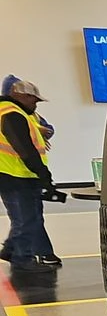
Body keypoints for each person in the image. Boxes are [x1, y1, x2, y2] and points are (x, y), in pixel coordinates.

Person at [0, 77, 62, 270]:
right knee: (26, 220)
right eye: (32, 99)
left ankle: (10, 250)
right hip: (14, 176)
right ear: (19, 95)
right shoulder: (11, 113)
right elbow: (25, 148)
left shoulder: (19, 113)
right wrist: (44, 176)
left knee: (30, 218)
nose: (35, 103)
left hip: (21, 175)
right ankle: (22, 260)